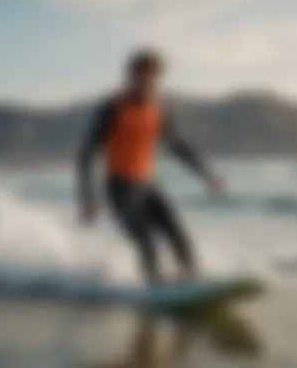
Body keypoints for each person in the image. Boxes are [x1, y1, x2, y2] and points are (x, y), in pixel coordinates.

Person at [77, 49, 224, 285]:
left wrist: (206, 174)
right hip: (120, 190)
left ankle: (192, 281)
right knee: (147, 241)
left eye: (154, 78)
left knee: (179, 235)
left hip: (148, 186)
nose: (149, 82)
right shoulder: (113, 108)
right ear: (131, 76)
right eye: (143, 76)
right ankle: (154, 289)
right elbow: (86, 155)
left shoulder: (158, 110)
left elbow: (177, 147)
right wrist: (87, 198)